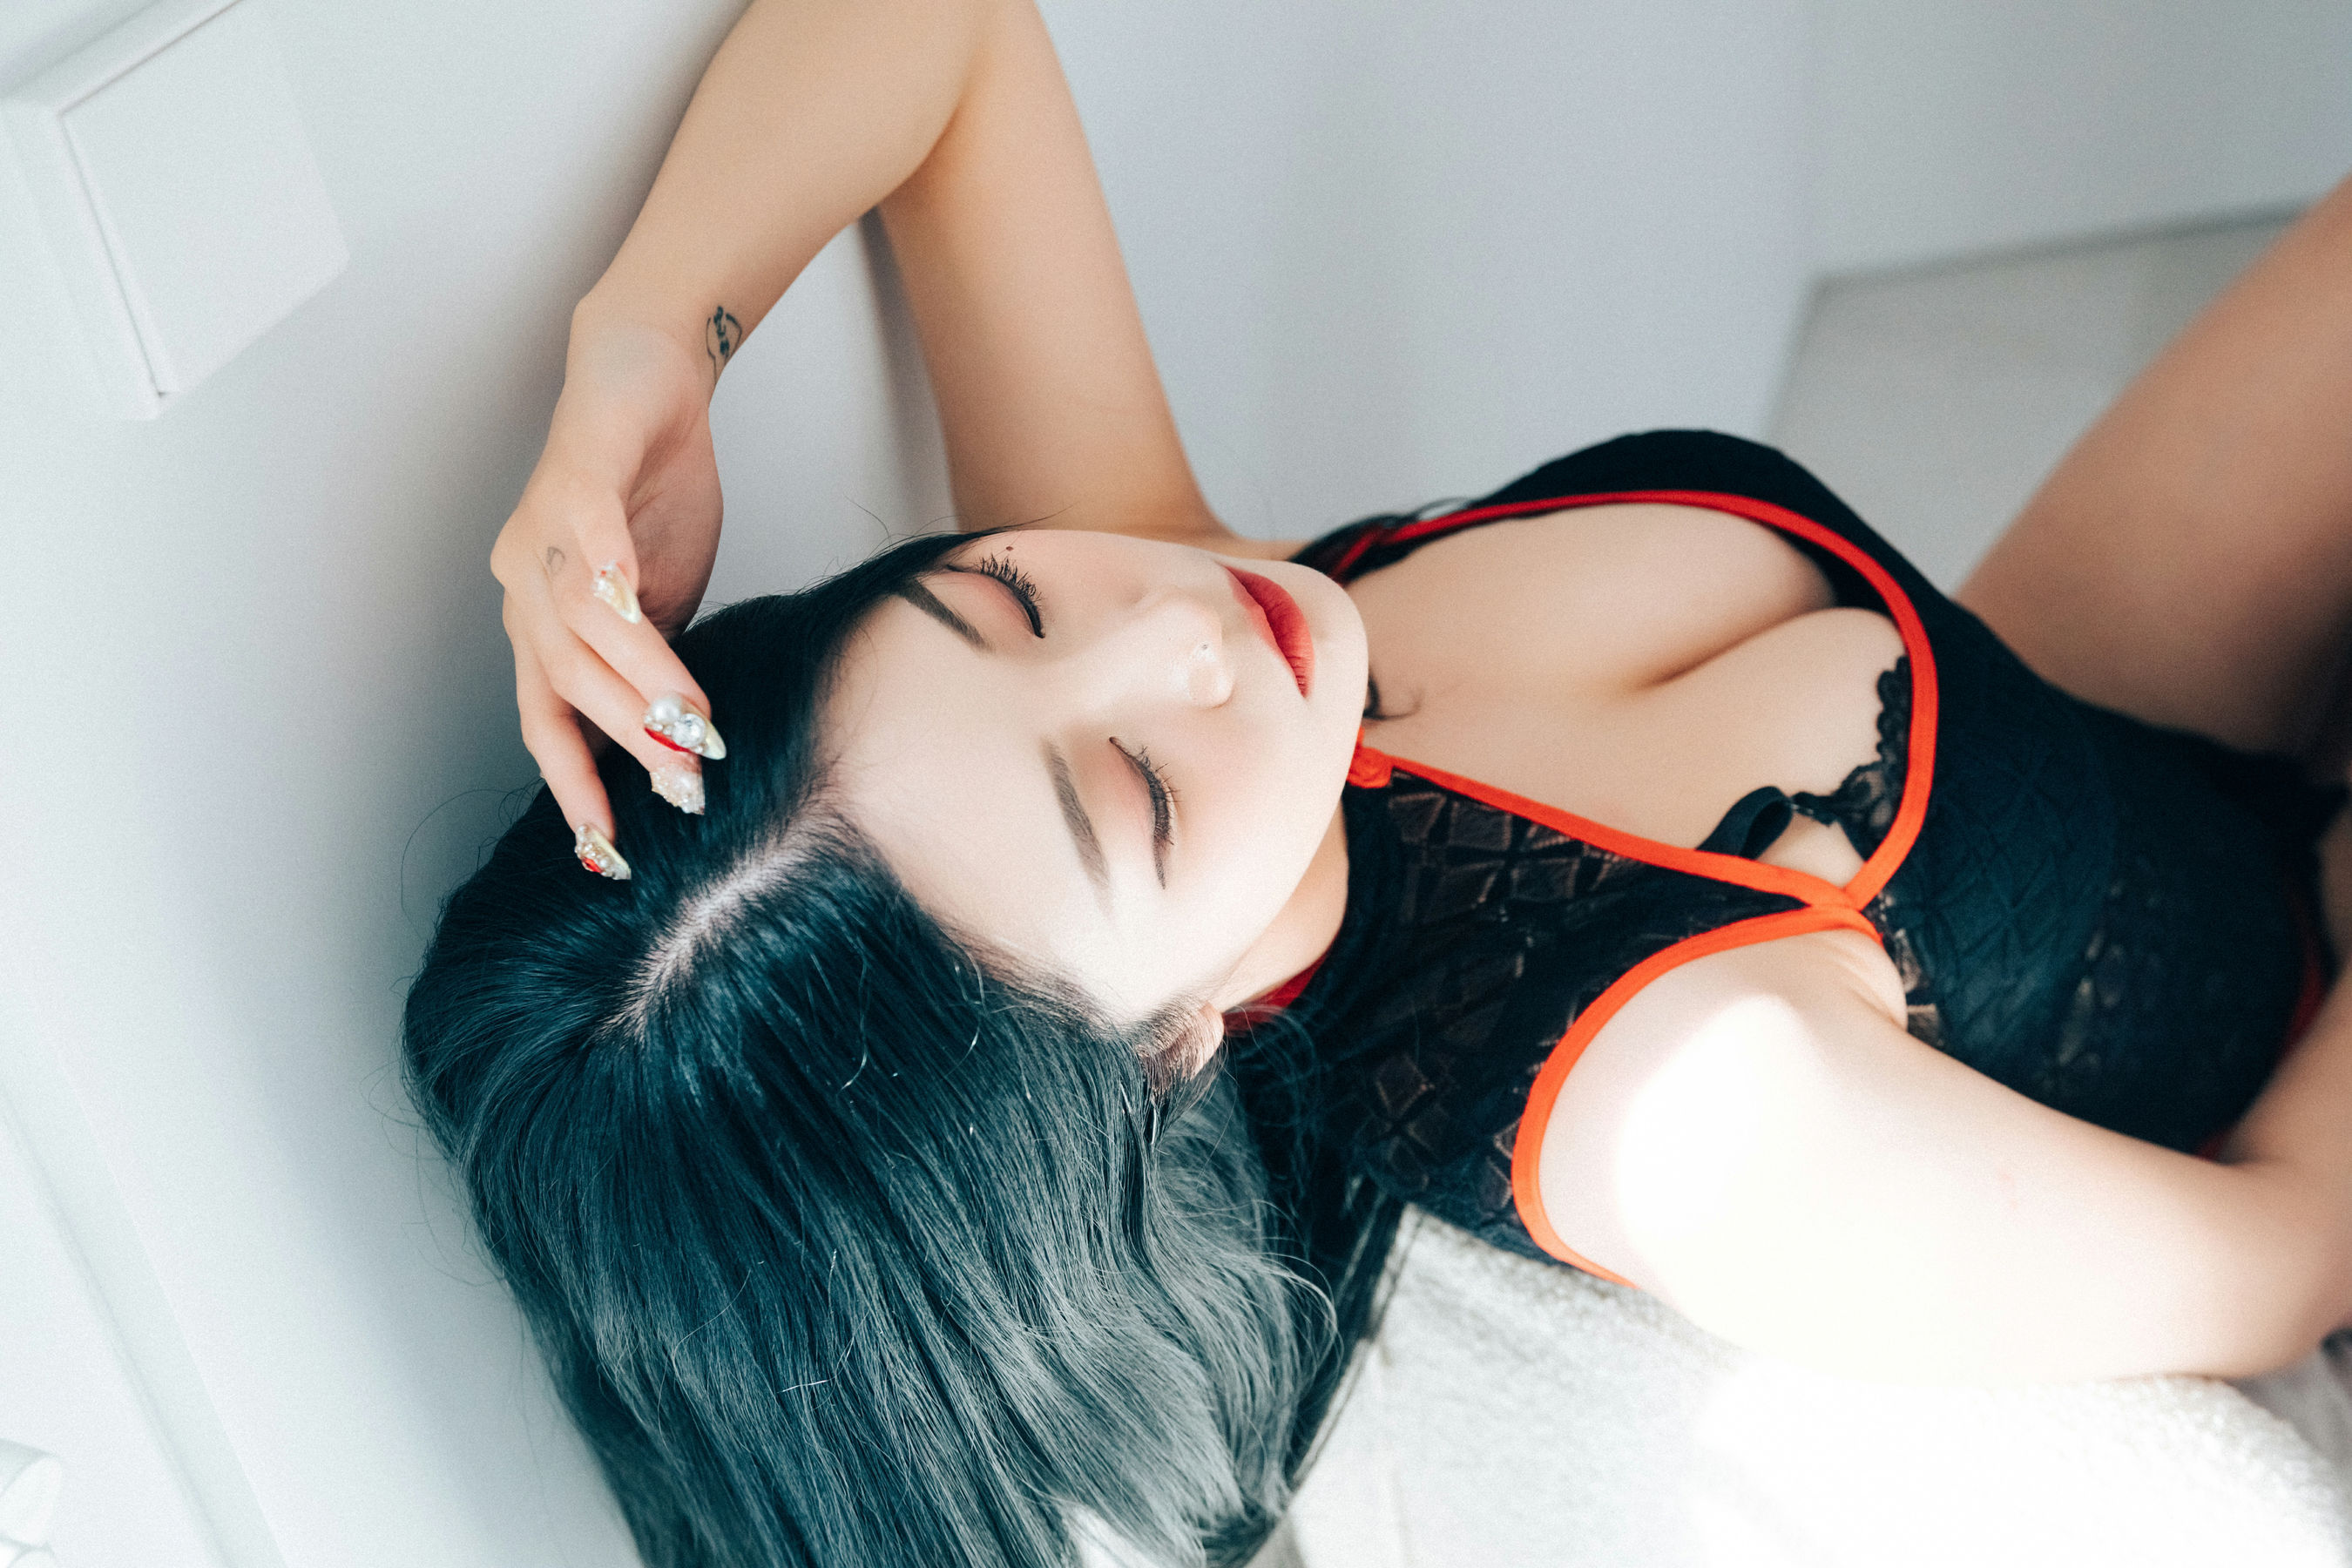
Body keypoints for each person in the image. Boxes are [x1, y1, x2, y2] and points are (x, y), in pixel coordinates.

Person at [401, 0, 2352, 1562]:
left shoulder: (1183, 645)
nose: (1179, 632)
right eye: (1135, 796)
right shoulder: (1702, 1125)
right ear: (1168, 1053)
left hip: (2082, 726)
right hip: (2271, 1024)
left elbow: (953, 35)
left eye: (1002, 598)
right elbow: (2283, 1250)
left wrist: (650, 341)